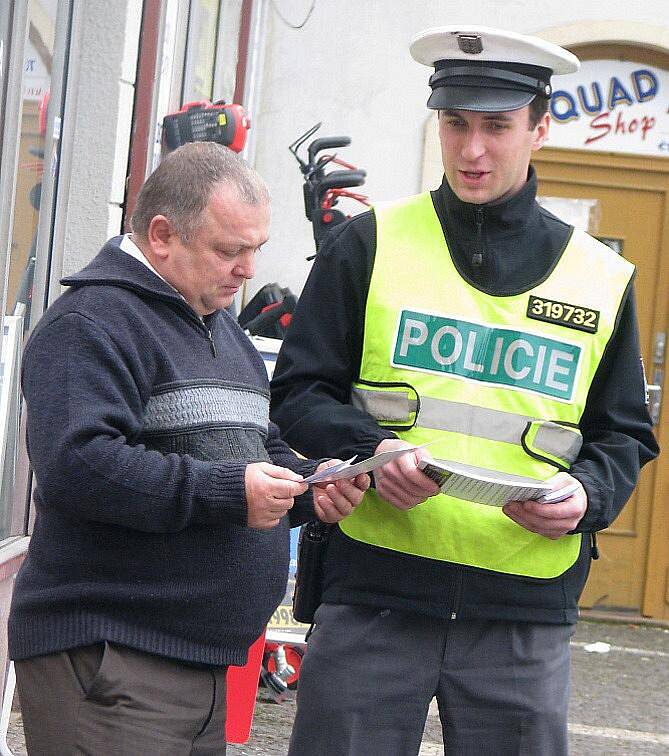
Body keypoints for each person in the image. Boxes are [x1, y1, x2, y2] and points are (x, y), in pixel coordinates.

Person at [271, 26, 659, 756]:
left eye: (495, 126)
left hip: (520, 612)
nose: (471, 149)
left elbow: (623, 434)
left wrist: (585, 496)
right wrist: (371, 448)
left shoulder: (600, 278)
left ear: (539, 127)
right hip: (375, 594)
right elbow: (297, 391)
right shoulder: (367, 243)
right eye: (455, 123)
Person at [9, 141, 369, 755]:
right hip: (115, 659)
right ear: (161, 236)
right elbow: (79, 466)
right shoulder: (88, 324)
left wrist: (312, 485)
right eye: (231, 250)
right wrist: (233, 494)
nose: (249, 269)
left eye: (255, 248)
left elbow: (256, 442)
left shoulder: (220, 325)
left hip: (199, 665)